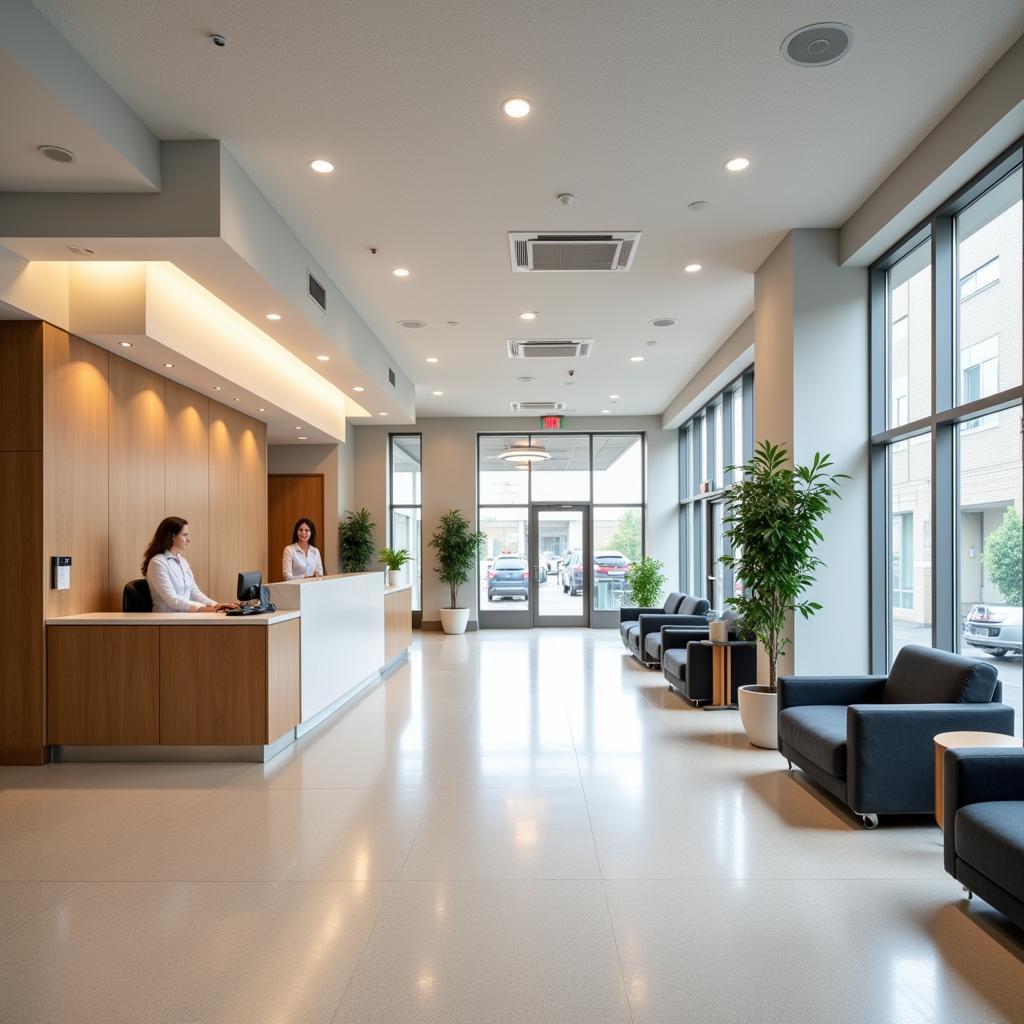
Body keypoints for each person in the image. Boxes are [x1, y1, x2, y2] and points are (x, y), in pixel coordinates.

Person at [142, 516, 239, 613]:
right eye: (185, 535)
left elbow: (194, 592)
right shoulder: (157, 563)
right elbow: (172, 600)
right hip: (166, 620)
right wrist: (207, 609)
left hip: (185, 617)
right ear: (172, 536)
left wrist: (216, 605)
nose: (188, 540)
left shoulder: (182, 560)